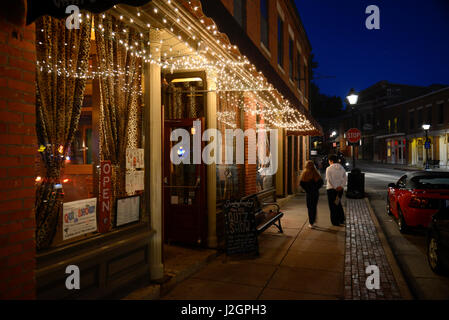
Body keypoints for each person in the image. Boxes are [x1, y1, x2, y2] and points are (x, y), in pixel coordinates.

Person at [300, 160, 324, 228]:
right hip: (315, 193)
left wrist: (307, 189)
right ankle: (313, 220)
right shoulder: (316, 173)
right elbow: (321, 183)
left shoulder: (304, 173)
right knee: (314, 206)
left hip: (309, 193)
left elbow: (301, 183)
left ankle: (311, 222)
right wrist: (316, 188)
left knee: (310, 207)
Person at [326, 154, 347, 226]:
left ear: (331, 161)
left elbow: (329, 180)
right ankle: (341, 219)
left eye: (329, 161)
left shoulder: (329, 168)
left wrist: (335, 187)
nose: (329, 162)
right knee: (337, 203)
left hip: (331, 190)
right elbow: (345, 178)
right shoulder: (342, 168)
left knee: (332, 206)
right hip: (340, 190)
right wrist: (341, 186)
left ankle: (335, 221)